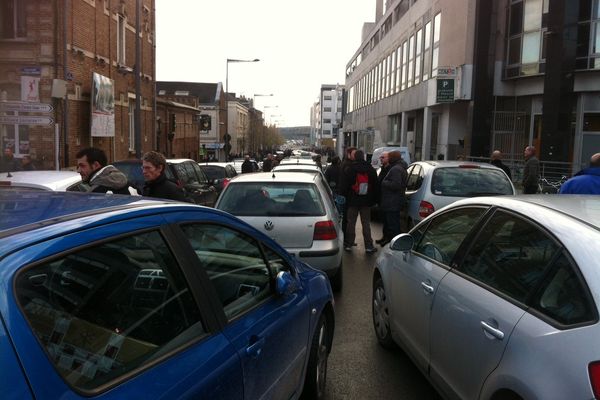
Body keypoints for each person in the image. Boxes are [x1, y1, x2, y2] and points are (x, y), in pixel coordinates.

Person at [339, 149, 379, 254]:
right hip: (366, 201)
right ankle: (368, 246)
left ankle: (349, 244)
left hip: (352, 201)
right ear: (364, 157)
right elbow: (376, 186)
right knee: (366, 223)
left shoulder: (349, 169)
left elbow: (343, 186)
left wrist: (345, 197)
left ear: (354, 157)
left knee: (351, 223)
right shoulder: (370, 169)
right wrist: (374, 200)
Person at [378, 151, 408, 247]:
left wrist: (384, 182)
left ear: (393, 158)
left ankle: (395, 244)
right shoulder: (398, 167)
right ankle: (390, 241)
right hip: (393, 200)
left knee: (393, 224)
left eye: (389, 157)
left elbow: (396, 185)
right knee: (391, 223)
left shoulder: (396, 169)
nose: (388, 158)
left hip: (393, 201)